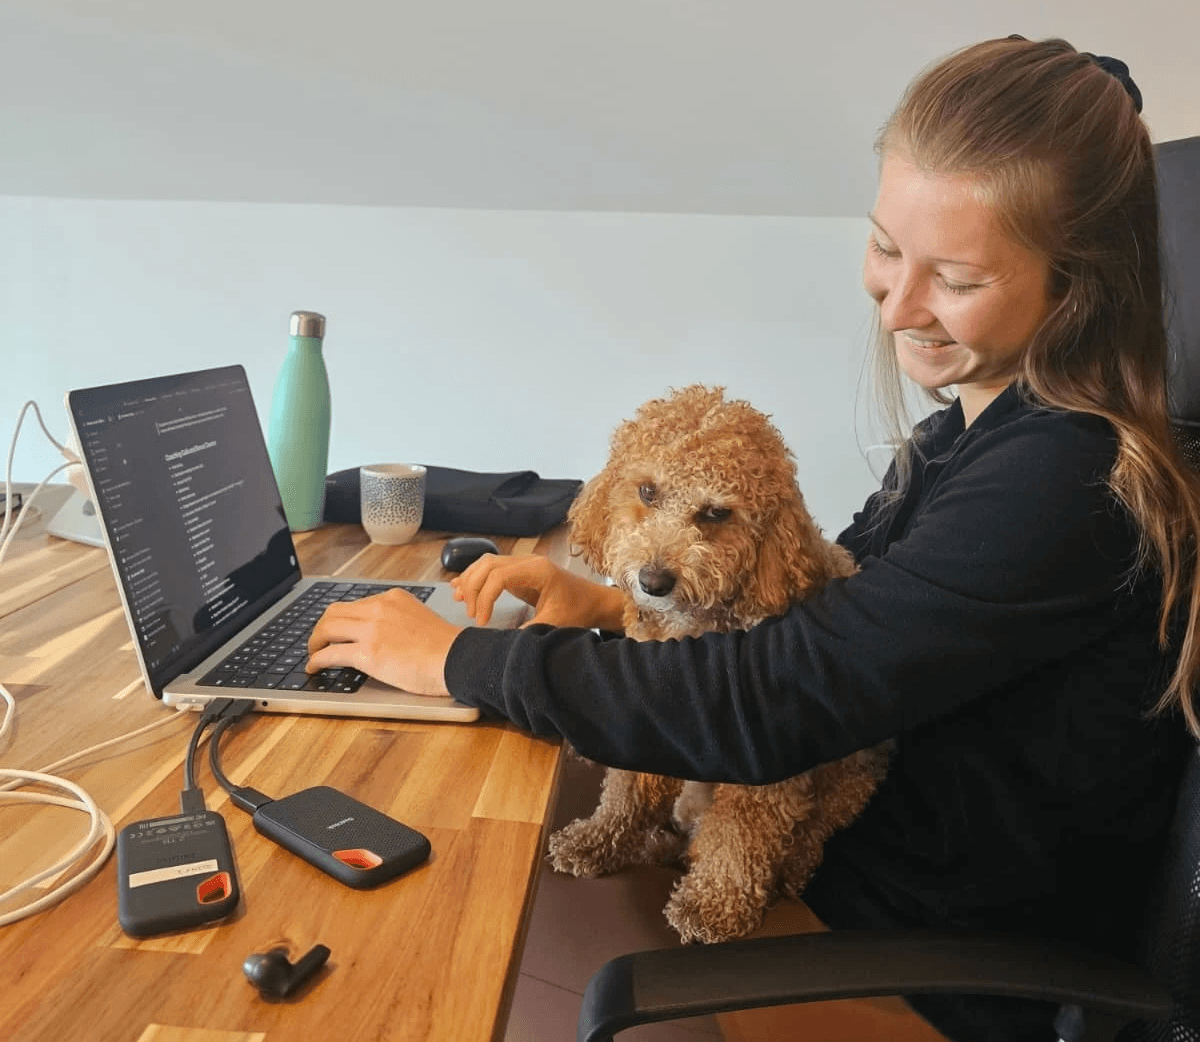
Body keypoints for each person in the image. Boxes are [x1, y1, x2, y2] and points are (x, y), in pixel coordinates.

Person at [307, 36, 1200, 1042]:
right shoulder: (969, 432)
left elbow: (779, 698)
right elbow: (822, 620)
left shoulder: (1066, 478)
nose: (897, 306)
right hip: (844, 884)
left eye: (955, 278)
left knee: (423, 946)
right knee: (460, 843)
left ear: (1078, 284)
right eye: (886, 248)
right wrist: (615, 606)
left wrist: (461, 660)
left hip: (915, 961)